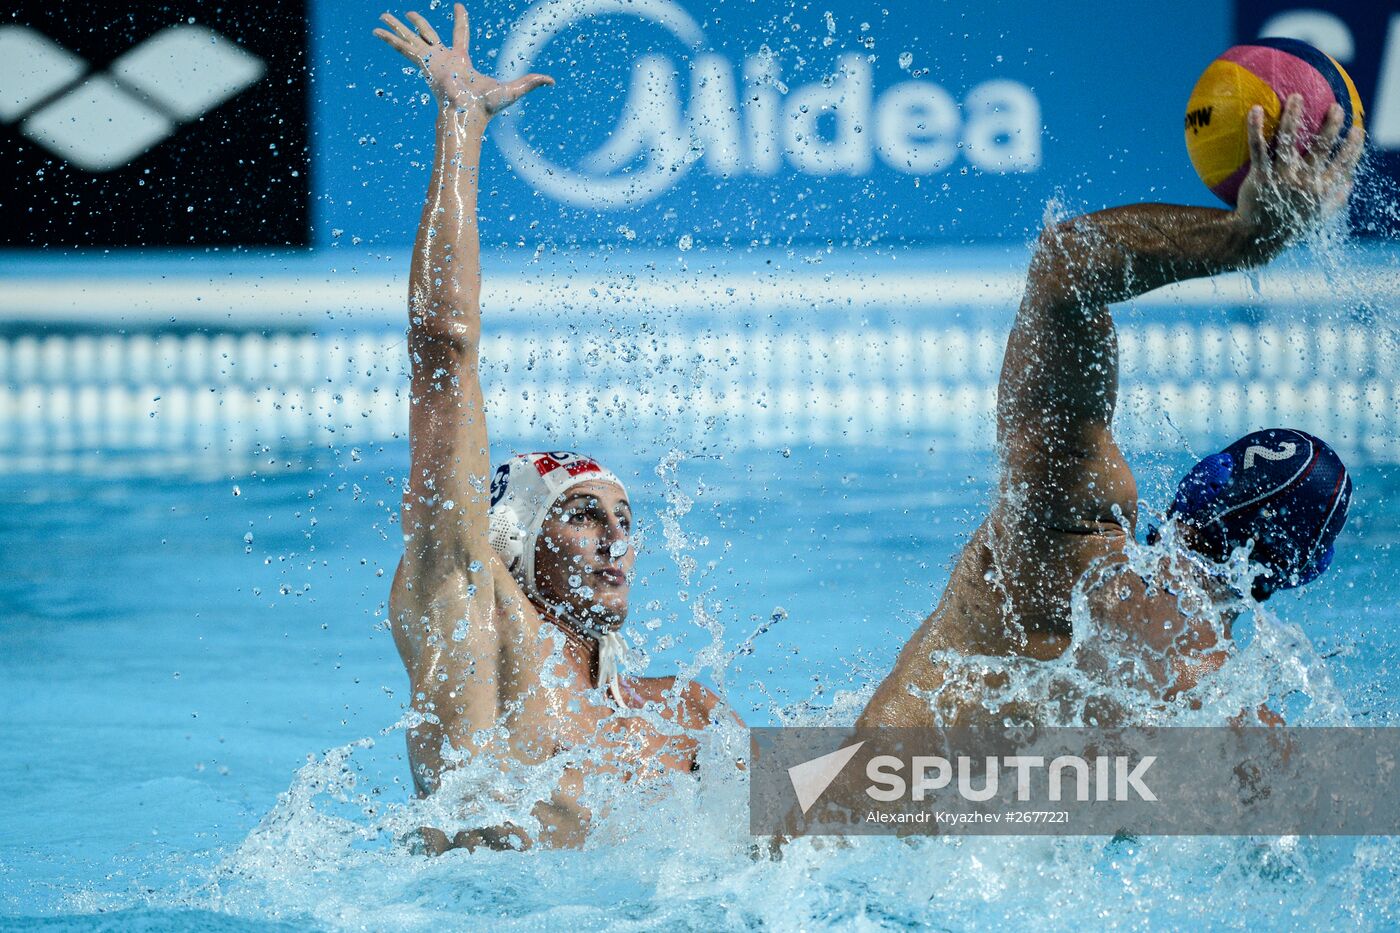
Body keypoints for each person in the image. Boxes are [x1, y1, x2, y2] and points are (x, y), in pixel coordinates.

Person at [858, 94, 1365, 732]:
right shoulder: (1236, 725)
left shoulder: (1075, 549)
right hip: (1028, 828)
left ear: (1202, 483)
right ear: (1297, 574)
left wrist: (1243, 240)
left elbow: (1065, 268)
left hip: (839, 822)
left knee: (690, 707)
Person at [374, 4, 738, 852]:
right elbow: (442, 352)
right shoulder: (475, 630)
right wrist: (461, 125)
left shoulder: (681, 711)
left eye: (623, 517)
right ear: (511, 541)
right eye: (581, 514)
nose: (617, 537)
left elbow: (812, 830)